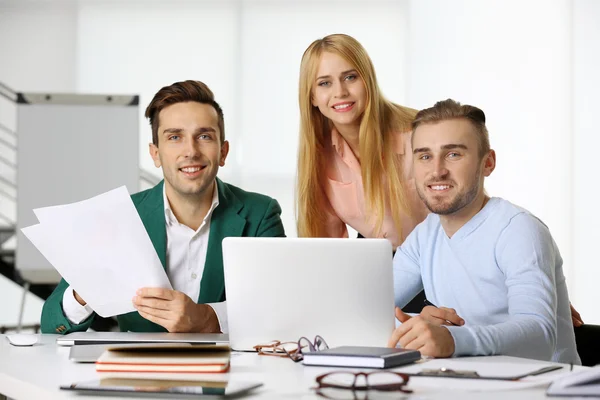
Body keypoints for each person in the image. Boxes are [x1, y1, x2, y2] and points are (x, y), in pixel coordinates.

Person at [41, 80, 286, 335]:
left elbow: (280, 307)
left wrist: (208, 318)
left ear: (223, 152)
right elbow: (52, 325)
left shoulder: (261, 214)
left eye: (204, 136)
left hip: (232, 369)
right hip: (140, 370)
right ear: (155, 154)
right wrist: (85, 289)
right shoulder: (121, 216)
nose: (190, 151)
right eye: (174, 137)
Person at [387, 99, 580, 364]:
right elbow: (368, 308)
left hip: (542, 388)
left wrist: (452, 339)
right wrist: (419, 325)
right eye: (425, 156)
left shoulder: (518, 230)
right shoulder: (425, 235)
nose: (437, 170)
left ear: (487, 163)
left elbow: (540, 335)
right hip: (464, 384)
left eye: (453, 154)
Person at [296, 33, 428, 248]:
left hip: (438, 258)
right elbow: (327, 247)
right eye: (324, 83)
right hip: (377, 259)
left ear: (368, 80)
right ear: (312, 97)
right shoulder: (319, 155)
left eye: (350, 77)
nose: (340, 92)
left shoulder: (419, 133)